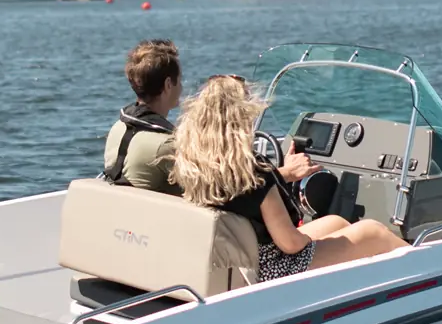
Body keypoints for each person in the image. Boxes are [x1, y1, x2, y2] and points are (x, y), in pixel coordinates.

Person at [169, 75, 410, 282]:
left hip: (246, 259)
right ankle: (426, 277)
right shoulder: (254, 174)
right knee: (373, 231)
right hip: (274, 269)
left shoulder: (196, 166)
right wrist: (310, 240)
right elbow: (291, 244)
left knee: (336, 222)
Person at [104, 39, 316, 194]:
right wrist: (286, 173)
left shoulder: (119, 128)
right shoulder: (165, 145)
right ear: (168, 84)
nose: (181, 86)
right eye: (180, 80)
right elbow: (224, 191)